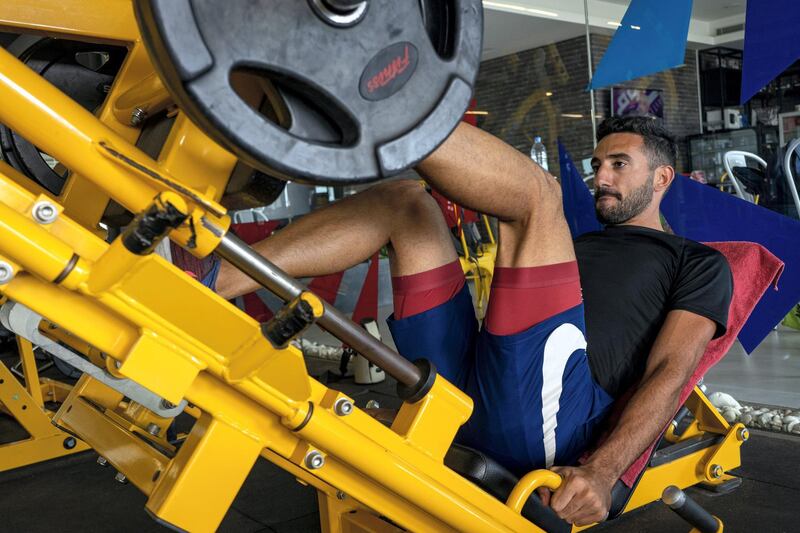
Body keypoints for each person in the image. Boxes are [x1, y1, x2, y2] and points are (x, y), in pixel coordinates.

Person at [212, 116, 732, 526]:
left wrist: (602, 471)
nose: (601, 177)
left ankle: (382, 107)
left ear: (663, 177)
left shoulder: (697, 261)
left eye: (620, 164)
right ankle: (210, 277)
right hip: (475, 377)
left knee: (538, 196)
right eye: (599, 164)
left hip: (549, 416)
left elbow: (672, 370)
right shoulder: (580, 244)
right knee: (405, 202)